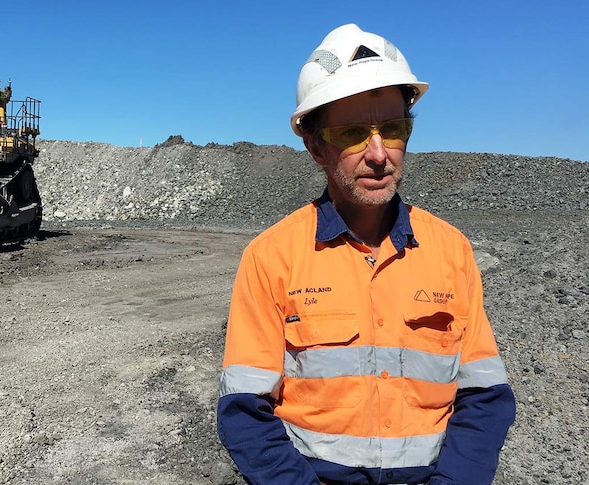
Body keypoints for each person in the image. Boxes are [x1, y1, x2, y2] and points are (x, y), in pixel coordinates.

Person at [216, 24, 515, 485]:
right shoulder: (271, 257)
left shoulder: (451, 250)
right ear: (315, 146)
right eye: (353, 133)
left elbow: (485, 395)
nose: (379, 154)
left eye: (392, 129)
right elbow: (243, 412)